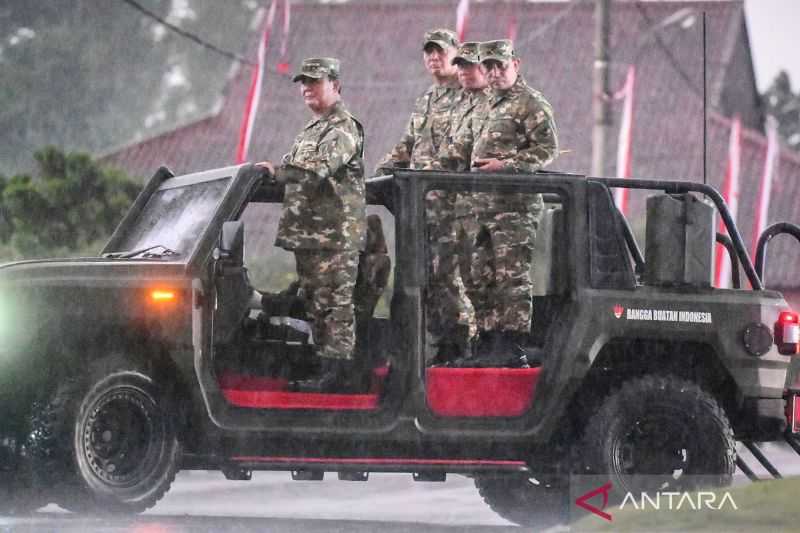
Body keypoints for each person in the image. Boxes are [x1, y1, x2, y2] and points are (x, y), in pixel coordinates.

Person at [441, 39, 559, 365]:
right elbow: (461, 150)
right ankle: (487, 343)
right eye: (488, 67)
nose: (494, 73)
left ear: (515, 65)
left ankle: (512, 346)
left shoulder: (531, 104)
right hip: (480, 207)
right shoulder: (483, 106)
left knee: (511, 277)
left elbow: (545, 150)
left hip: (514, 208)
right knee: (478, 277)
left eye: (500, 66)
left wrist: (505, 165)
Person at [257, 57, 366, 392]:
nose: (307, 88)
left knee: (335, 306)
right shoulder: (311, 130)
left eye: (315, 82)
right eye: (303, 82)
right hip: (309, 236)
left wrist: (276, 171)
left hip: (334, 237)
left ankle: (340, 376)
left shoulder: (343, 127)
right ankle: (324, 371)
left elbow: (316, 169)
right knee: (317, 305)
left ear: (336, 86)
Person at [376, 29, 469, 362]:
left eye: (440, 51)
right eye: (428, 52)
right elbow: (408, 144)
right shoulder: (428, 98)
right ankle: (441, 344)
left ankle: (460, 343)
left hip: (451, 204)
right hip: (421, 206)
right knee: (425, 277)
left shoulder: (469, 95)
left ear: (456, 53)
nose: (433, 57)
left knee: (448, 274)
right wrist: (381, 171)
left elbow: (467, 147)